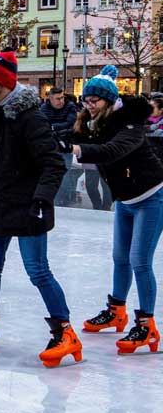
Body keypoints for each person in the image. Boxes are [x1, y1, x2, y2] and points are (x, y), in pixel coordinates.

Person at [0, 52, 78, 367]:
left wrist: (42, 199)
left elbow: (53, 164)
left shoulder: (30, 117)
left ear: (4, 80)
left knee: (38, 271)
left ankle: (66, 332)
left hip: (27, 208)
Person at [71, 66, 163, 353]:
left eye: (95, 100)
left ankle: (147, 325)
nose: (89, 105)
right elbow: (75, 136)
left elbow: (111, 151)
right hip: (125, 200)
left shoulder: (130, 125)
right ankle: (116, 311)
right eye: (86, 100)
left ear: (109, 101)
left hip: (152, 197)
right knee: (120, 258)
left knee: (139, 260)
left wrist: (76, 150)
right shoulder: (95, 123)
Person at [40, 87, 80, 207]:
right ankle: (55, 199)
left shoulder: (70, 107)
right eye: (58, 98)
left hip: (66, 145)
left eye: (62, 97)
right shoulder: (44, 108)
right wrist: (58, 128)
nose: (61, 101)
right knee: (50, 173)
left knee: (65, 173)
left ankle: (66, 199)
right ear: (50, 99)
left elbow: (70, 124)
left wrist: (52, 127)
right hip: (49, 146)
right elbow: (42, 124)